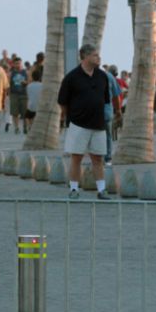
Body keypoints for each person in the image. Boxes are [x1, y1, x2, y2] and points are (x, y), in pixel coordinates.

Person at [57, 44, 111, 200]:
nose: (98, 58)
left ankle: (101, 190)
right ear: (85, 57)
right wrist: (70, 116)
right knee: (77, 157)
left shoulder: (102, 76)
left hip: (98, 124)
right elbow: (62, 101)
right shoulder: (72, 77)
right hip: (78, 124)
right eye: (95, 55)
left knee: (98, 158)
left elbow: (105, 99)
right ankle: (74, 189)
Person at [103, 67, 122, 166]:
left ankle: (99, 157)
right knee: (107, 136)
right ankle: (107, 159)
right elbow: (116, 96)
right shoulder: (110, 77)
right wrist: (118, 110)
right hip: (106, 112)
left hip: (92, 113)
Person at [8, 57, 28, 134]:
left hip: (24, 94)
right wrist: (9, 95)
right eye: (16, 63)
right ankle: (16, 127)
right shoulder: (11, 73)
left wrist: (25, 83)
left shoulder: (25, 72)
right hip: (14, 95)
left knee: (25, 113)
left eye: (19, 63)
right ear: (13, 64)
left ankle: (25, 127)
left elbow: (29, 82)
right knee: (14, 113)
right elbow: (8, 84)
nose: (18, 65)